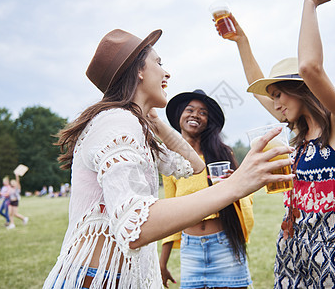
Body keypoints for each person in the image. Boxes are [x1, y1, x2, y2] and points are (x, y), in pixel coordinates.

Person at [43, 28, 294, 289]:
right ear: (138, 70)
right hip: (96, 280)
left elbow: (194, 166)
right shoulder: (117, 122)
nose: (167, 72)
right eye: (159, 63)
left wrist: (159, 125)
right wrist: (236, 185)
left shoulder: (134, 125)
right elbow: (135, 224)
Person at [215, 0, 335, 287]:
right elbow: (256, 86)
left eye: (279, 93)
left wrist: (309, 2)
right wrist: (242, 42)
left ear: (301, 87)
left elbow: (310, 67)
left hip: (333, 257)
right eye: (273, 98)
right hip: (290, 250)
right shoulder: (301, 136)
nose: (276, 103)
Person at [160, 89, 254, 288]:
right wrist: (162, 263)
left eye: (203, 112)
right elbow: (169, 213)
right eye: (190, 110)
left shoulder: (223, 153)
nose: (195, 115)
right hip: (190, 250)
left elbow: (246, 196)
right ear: (179, 116)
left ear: (208, 121)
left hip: (225, 246)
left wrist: (235, 184)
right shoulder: (170, 162)